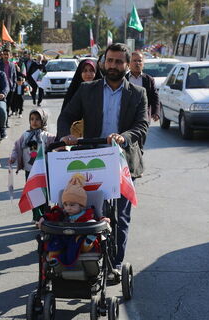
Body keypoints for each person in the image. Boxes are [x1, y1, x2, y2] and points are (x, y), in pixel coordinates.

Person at [57, 43, 149, 274]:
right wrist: (65, 135)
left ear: (127, 65)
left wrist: (123, 137)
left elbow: (142, 126)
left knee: (120, 215)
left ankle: (115, 263)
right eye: (110, 60)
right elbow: (66, 115)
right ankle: (89, 258)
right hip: (92, 160)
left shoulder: (138, 93)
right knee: (91, 213)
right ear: (103, 62)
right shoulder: (88, 89)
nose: (113, 65)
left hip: (123, 162)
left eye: (119, 61)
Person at [37, 174, 102, 267]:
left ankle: (88, 241)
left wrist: (104, 220)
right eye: (66, 205)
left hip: (79, 238)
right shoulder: (62, 213)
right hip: (63, 237)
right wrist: (44, 218)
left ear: (81, 206)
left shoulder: (87, 213)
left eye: (72, 205)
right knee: (55, 241)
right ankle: (54, 258)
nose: (68, 208)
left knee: (90, 226)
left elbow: (98, 219)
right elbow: (52, 215)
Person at [9, 108, 55, 224]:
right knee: (33, 193)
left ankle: (44, 215)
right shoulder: (25, 135)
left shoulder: (46, 135)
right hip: (30, 170)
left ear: (43, 121)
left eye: (38, 119)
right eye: (32, 119)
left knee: (44, 193)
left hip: (43, 170)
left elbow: (56, 142)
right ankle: (37, 216)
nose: (34, 122)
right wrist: (13, 157)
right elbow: (17, 147)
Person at [125, 51, 160, 122]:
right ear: (129, 63)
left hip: (144, 116)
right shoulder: (123, 79)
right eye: (134, 61)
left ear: (143, 63)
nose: (137, 63)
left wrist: (156, 112)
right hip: (127, 116)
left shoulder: (149, 80)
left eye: (139, 61)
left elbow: (155, 96)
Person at [0, 48, 17, 124]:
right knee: (3, 105)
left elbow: (14, 76)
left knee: (8, 106)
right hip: (1, 89)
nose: (6, 56)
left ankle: (6, 122)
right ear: (2, 55)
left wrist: (14, 87)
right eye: (4, 54)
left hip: (10, 88)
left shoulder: (12, 65)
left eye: (7, 54)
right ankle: (3, 122)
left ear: (10, 55)